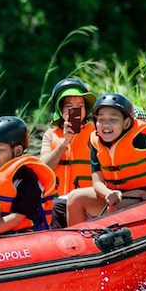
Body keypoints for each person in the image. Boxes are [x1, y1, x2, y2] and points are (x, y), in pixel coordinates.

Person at [67, 93, 146, 226]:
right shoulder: (96, 143)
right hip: (116, 193)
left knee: (116, 205)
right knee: (75, 198)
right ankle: (78, 243)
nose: (105, 125)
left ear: (126, 123)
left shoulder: (144, 141)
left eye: (113, 120)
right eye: (100, 119)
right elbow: (97, 182)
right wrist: (108, 193)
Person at [40, 78, 95, 228]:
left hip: (85, 204)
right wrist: (65, 142)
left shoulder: (96, 133)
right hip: (55, 205)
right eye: (69, 106)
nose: (75, 110)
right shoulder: (50, 134)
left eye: (80, 106)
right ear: (60, 110)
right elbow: (44, 168)